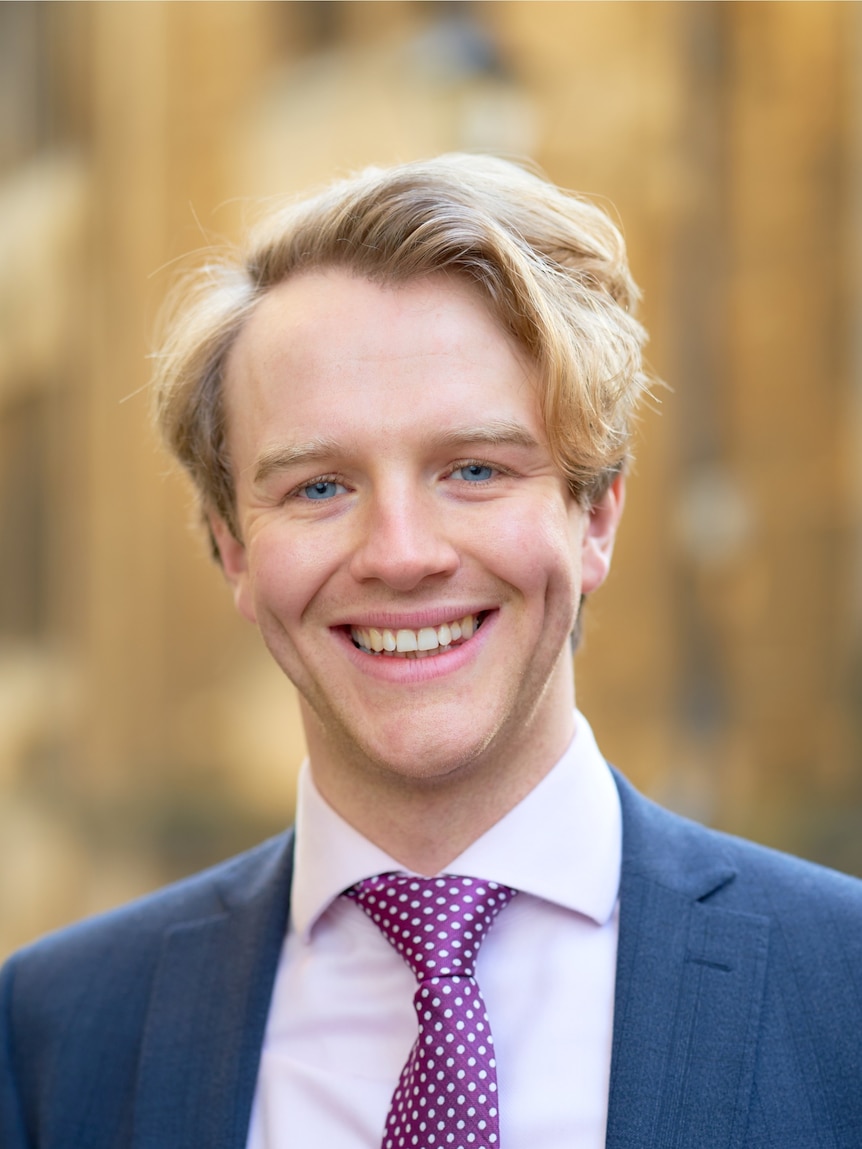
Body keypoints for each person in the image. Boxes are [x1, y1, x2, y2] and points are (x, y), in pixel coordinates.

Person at [1, 154, 861, 1149]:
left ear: (596, 517)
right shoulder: (54, 1040)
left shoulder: (840, 990)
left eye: (474, 469)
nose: (400, 555)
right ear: (232, 547)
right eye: (319, 487)